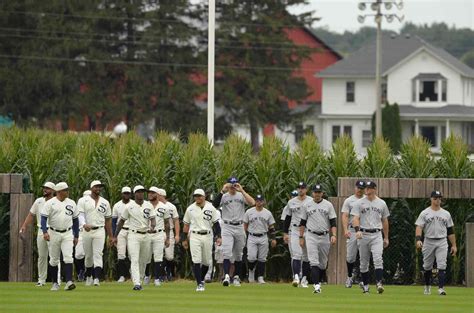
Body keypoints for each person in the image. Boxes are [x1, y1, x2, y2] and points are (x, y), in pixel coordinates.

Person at [212, 177, 255, 287]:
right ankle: (226, 276)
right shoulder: (224, 196)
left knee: (238, 254)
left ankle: (236, 276)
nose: (233, 187)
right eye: (231, 184)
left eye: (234, 184)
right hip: (227, 226)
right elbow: (214, 205)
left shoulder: (241, 195)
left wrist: (242, 190)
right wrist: (222, 191)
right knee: (226, 252)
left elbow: (252, 203)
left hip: (239, 226)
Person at [113, 185, 156, 291]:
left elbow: (153, 219)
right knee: (135, 259)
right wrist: (115, 236)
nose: (141, 193)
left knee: (144, 260)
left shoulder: (148, 205)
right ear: (134, 194)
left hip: (146, 234)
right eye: (138, 192)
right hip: (133, 235)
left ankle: (140, 280)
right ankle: (136, 282)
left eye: (142, 191)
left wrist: (152, 227)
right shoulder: (129, 206)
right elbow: (121, 221)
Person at [415, 190, 457, 296]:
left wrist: (454, 245)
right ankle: (427, 287)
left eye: (439, 198)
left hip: (442, 241)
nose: (438, 200)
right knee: (427, 266)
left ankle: (441, 288)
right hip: (428, 240)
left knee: (442, 265)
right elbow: (419, 227)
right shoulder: (425, 213)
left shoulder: (446, 214)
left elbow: (450, 231)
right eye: (435, 198)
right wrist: (418, 239)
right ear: (431, 199)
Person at [352, 180, 390, 294]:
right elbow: (355, 218)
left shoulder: (381, 203)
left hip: (376, 234)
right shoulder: (359, 203)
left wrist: (386, 237)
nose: (367, 190)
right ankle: (366, 286)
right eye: (366, 188)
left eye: (369, 188)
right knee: (364, 262)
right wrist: (357, 230)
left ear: (374, 189)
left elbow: (385, 220)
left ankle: (379, 283)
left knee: (378, 259)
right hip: (363, 234)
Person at [40, 182, 80, 291]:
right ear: (59, 192)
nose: (67, 192)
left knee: (68, 257)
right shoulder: (50, 203)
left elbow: (75, 220)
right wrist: (45, 232)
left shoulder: (71, 202)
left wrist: (76, 235)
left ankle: (68, 281)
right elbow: (43, 218)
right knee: (54, 259)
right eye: (65, 190)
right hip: (53, 232)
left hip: (67, 233)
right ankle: (55, 283)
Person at [298, 184, 337, 294]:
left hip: (324, 236)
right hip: (311, 235)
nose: (317, 194)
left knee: (323, 264)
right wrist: (301, 237)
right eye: (315, 192)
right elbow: (302, 223)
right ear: (312, 193)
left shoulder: (328, 205)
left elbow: (333, 222)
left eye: (319, 192)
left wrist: (333, 235)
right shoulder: (307, 205)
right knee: (313, 261)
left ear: (322, 193)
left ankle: (318, 282)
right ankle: (316, 286)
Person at [183, 188, 221, 291]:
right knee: (196, 260)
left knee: (206, 261)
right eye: (196, 196)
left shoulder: (211, 207)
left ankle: (201, 279)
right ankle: (199, 283)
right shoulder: (190, 208)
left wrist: (219, 236)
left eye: (199, 196)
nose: (197, 198)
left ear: (204, 197)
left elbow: (216, 223)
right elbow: (186, 225)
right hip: (195, 235)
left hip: (208, 235)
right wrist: (184, 239)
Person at [78, 180, 113, 286]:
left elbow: (107, 220)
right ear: (91, 188)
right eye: (96, 187)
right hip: (87, 231)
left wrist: (110, 236)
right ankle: (89, 276)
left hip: (100, 230)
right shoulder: (83, 200)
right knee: (88, 256)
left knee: (98, 254)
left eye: (99, 187)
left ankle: (97, 278)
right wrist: (84, 224)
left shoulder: (105, 202)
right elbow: (80, 215)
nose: (98, 189)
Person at [19, 182, 55, 287]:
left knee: (54, 256)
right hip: (41, 230)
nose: (45, 190)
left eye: (47, 188)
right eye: (44, 188)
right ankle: (41, 280)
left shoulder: (56, 202)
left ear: (53, 190)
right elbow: (31, 214)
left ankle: (56, 280)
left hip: (53, 230)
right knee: (42, 256)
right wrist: (24, 225)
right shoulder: (38, 201)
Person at [282, 182, 313, 287]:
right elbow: (287, 218)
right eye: (299, 188)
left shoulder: (311, 201)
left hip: (308, 229)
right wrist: (285, 233)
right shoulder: (291, 202)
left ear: (306, 189)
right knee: (296, 254)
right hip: (295, 229)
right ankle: (296, 277)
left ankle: (304, 278)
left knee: (306, 256)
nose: (301, 190)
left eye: (303, 188)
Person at [243, 194, 277, 284]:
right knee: (251, 257)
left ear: (263, 202)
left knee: (262, 258)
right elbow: (245, 225)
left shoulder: (267, 213)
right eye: (257, 201)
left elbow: (271, 227)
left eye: (260, 201)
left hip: (263, 236)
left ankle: (260, 277)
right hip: (252, 236)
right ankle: (251, 272)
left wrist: (273, 238)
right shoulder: (249, 212)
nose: (259, 202)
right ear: (255, 201)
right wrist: (244, 237)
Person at [341, 180, 366, 288]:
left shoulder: (367, 200)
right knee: (350, 257)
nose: (360, 190)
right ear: (355, 188)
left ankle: (361, 279)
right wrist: (345, 230)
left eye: (362, 188)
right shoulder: (349, 200)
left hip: (365, 230)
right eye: (358, 187)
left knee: (364, 255)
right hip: (352, 230)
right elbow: (345, 215)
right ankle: (350, 276)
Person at [144, 186, 170, 286]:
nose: (150, 194)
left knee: (158, 257)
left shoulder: (164, 207)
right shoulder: (144, 205)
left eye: (152, 193)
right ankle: (146, 276)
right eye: (149, 193)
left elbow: (167, 223)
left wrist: (167, 237)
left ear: (157, 194)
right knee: (146, 256)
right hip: (146, 233)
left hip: (159, 233)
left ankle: (157, 278)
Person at [157, 188, 180, 282]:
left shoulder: (171, 207)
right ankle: (162, 275)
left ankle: (170, 271)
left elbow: (176, 221)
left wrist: (177, 234)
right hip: (158, 231)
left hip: (169, 231)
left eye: (158, 195)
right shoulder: (154, 206)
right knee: (158, 254)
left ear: (162, 195)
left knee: (169, 256)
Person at [112, 186, 133, 283]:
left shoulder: (134, 204)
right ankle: (122, 275)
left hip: (132, 230)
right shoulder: (117, 205)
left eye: (128, 193)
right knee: (121, 254)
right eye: (125, 193)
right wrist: (113, 235)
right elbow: (114, 221)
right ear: (122, 194)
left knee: (132, 254)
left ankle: (133, 274)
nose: (126, 195)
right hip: (120, 230)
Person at [74, 190, 91, 282]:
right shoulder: (78, 206)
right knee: (78, 254)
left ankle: (89, 274)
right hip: (80, 232)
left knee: (90, 254)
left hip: (92, 232)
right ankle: (80, 271)